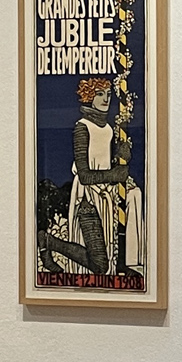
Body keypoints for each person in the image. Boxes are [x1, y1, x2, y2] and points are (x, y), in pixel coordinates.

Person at [41, 77, 137, 277]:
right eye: (100, 94)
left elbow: (105, 160)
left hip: (106, 195)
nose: (106, 99)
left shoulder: (108, 128)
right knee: (100, 265)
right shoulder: (82, 127)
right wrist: (113, 175)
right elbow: (84, 175)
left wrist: (122, 155)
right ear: (89, 97)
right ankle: (50, 242)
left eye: (108, 94)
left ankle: (121, 264)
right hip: (87, 198)